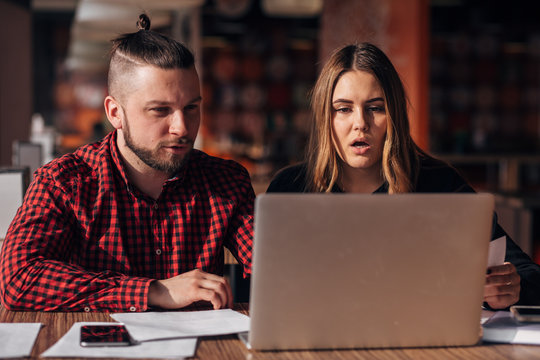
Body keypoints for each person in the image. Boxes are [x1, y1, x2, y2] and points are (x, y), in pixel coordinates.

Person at [0, 14, 253, 312]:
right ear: (115, 113)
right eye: (160, 110)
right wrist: (152, 291)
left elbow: (276, 268)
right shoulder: (64, 182)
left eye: (191, 108)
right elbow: (19, 279)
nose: (182, 128)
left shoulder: (226, 181)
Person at [267, 43, 540, 309]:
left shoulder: (441, 185)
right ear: (325, 117)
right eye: (344, 109)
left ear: (394, 114)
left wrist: (512, 288)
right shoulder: (290, 188)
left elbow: (530, 273)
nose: (360, 123)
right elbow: (262, 284)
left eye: (375, 108)